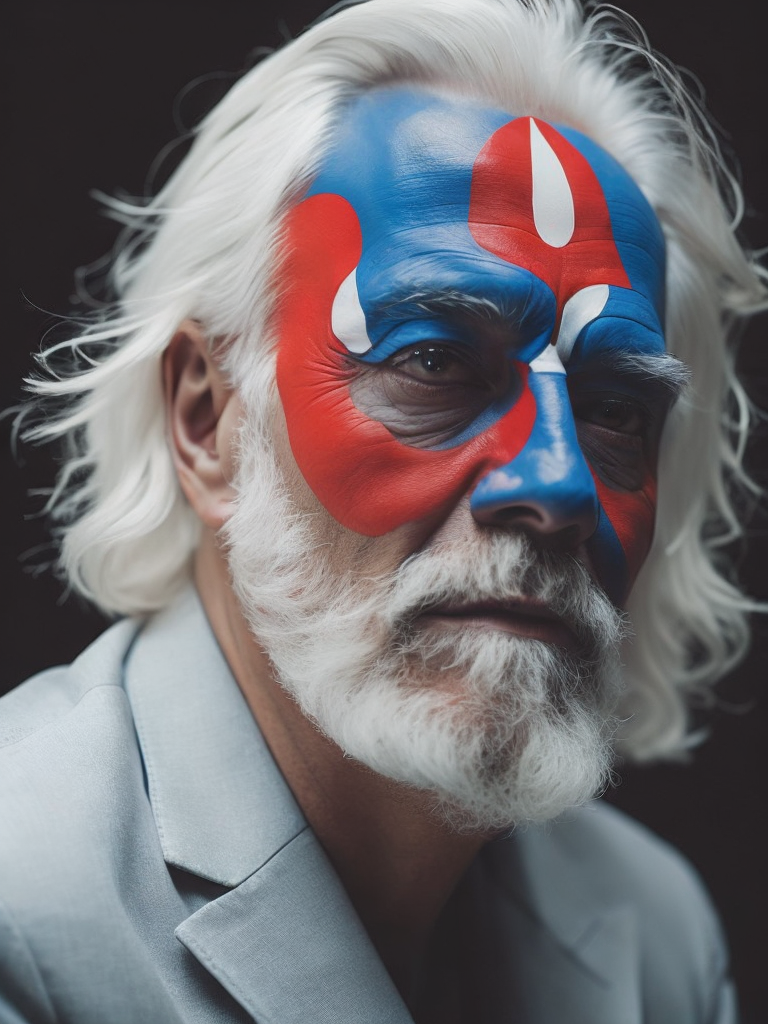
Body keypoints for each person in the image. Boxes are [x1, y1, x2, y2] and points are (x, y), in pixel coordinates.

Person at [1, 0, 764, 1021]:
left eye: (616, 408)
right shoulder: (22, 903)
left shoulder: (657, 932)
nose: (558, 482)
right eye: (434, 361)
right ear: (206, 418)